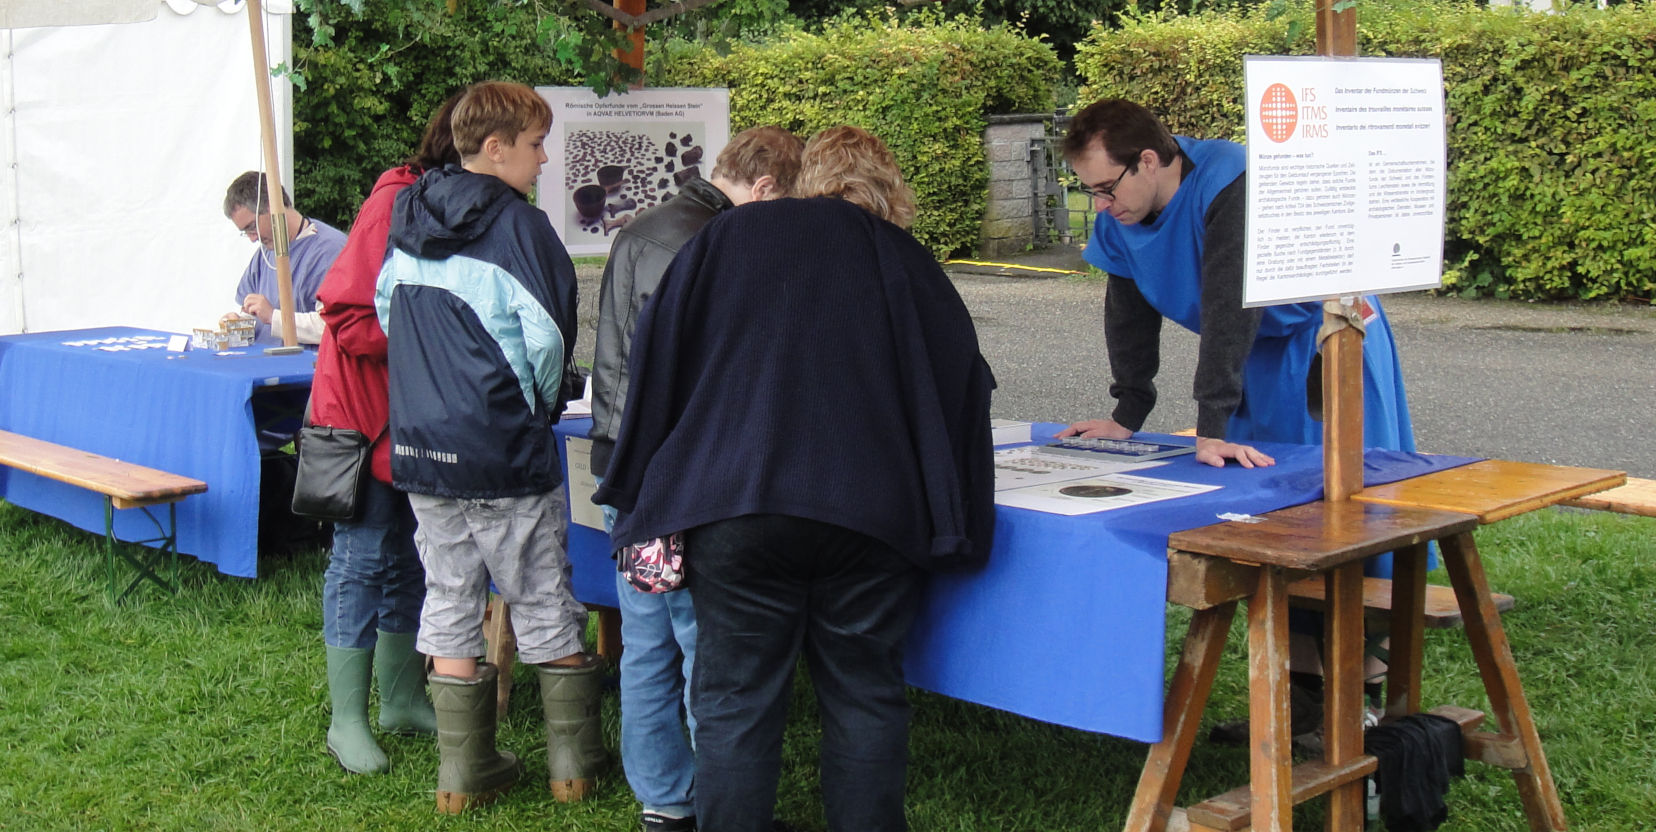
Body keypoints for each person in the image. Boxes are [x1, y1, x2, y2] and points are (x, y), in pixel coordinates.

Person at [595, 126, 996, 832]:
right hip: (872, 516)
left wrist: (639, 490)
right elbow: (965, 384)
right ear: (889, 190)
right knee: (864, 695)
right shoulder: (903, 258)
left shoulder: (726, 240)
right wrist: (961, 522)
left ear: (800, 178)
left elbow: (653, 361)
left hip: (736, 508)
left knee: (735, 703)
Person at [373, 81, 604, 814]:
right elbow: (546, 338)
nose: (544, 158)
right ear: (496, 147)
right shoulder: (521, 227)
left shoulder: (408, 212)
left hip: (422, 442)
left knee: (448, 593)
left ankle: (461, 776)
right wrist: (534, 406)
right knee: (539, 589)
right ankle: (573, 767)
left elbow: (387, 309)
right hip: (501, 445)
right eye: (536, 144)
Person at [589, 125, 803, 832]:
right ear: (767, 188)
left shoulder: (646, 227)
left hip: (628, 460)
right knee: (701, 640)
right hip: (686, 468)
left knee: (647, 639)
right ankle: (719, 802)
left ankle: (663, 800)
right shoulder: (715, 243)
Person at [1055, 98, 1415, 466]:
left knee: (1337, 487)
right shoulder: (1120, 214)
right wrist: (1127, 415)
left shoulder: (1230, 182)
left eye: (1106, 187)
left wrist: (1211, 428)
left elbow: (1229, 308)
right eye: (1091, 191)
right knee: (1253, 492)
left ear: (1147, 161)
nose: (1100, 205)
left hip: (1323, 338)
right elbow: (1128, 319)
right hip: (1250, 351)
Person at [306, 94, 462, 775]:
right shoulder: (396, 199)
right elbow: (344, 312)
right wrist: (434, 336)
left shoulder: (452, 204)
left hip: (414, 417)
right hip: (363, 419)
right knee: (362, 559)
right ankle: (347, 721)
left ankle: (400, 700)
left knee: (409, 557)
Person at [224, 172, 348, 346]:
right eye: (246, 232)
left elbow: (335, 327)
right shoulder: (265, 253)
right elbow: (252, 313)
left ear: (273, 207)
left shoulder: (329, 250)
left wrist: (273, 317)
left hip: (306, 369)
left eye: (252, 227)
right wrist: (238, 325)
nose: (253, 238)